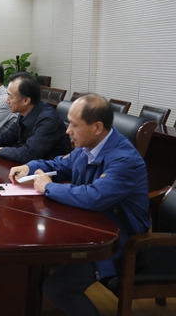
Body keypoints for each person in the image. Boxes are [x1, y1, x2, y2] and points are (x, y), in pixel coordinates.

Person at [9, 94, 150, 316]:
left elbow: (94, 196)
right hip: (88, 228)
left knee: (57, 289)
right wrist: (30, 167)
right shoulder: (87, 148)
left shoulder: (124, 159)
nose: (68, 131)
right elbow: (59, 165)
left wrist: (48, 187)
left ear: (97, 127)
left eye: (74, 125)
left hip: (118, 242)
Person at [0, 71, 71, 163]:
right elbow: (10, 135)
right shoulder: (26, 112)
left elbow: (29, 153)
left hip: (50, 174)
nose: (6, 100)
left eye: (10, 96)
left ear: (26, 100)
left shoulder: (48, 120)